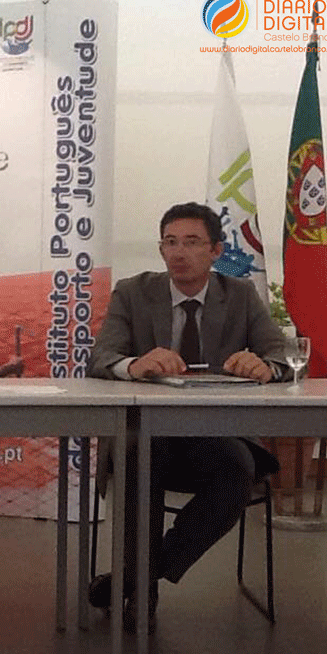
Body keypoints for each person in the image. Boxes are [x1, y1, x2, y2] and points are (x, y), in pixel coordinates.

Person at [87, 202, 290, 632]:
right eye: (170, 242)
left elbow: (281, 353)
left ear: (216, 250)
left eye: (192, 242)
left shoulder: (240, 294)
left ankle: (138, 576)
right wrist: (134, 364)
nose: (179, 253)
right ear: (161, 249)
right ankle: (142, 591)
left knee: (237, 469)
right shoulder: (133, 291)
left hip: (213, 435)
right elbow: (101, 356)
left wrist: (265, 366)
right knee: (139, 456)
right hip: (147, 433)